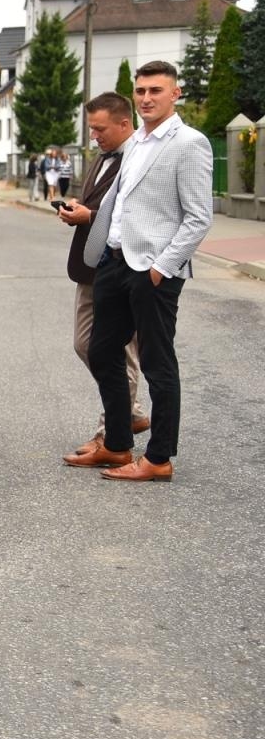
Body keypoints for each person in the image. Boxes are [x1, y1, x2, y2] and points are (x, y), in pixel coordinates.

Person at [68, 62, 212, 481]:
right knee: (101, 350)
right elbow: (120, 203)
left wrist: (161, 268)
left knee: (156, 363)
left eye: (156, 90)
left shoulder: (190, 143)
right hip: (114, 262)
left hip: (153, 270)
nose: (147, 97)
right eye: (141, 91)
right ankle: (115, 445)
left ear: (175, 94)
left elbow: (199, 218)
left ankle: (159, 458)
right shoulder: (136, 144)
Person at [56, 92, 149, 463]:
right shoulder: (105, 154)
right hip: (91, 264)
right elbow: (100, 201)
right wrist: (79, 210)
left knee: (117, 353)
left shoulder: (138, 158)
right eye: (91, 129)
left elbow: (135, 214)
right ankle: (131, 412)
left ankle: (112, 433)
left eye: (100, 129)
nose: (94, 136)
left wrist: (89, 217)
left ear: (124, 124)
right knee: (85, 344)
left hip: (120, 266)